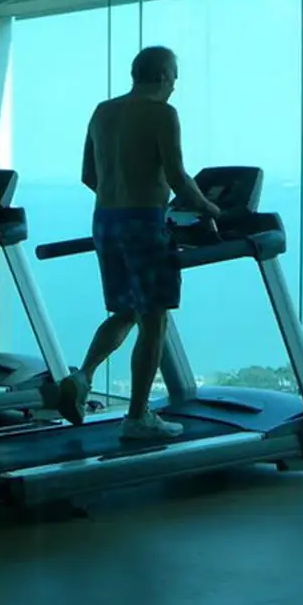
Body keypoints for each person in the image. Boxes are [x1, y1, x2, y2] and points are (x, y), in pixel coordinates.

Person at [56, 46, 221, 439]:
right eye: (174, 77)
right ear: (162, 75)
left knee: (126, 310)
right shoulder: (162, 113)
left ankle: (82, 376)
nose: (174, 85)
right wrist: (212, 208)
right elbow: (177, 176)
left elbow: (88, 175)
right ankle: (137, 417)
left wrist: (122, 197)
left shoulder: (103, 111)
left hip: (105, 220)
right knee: (154, 319)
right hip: (144, 222)